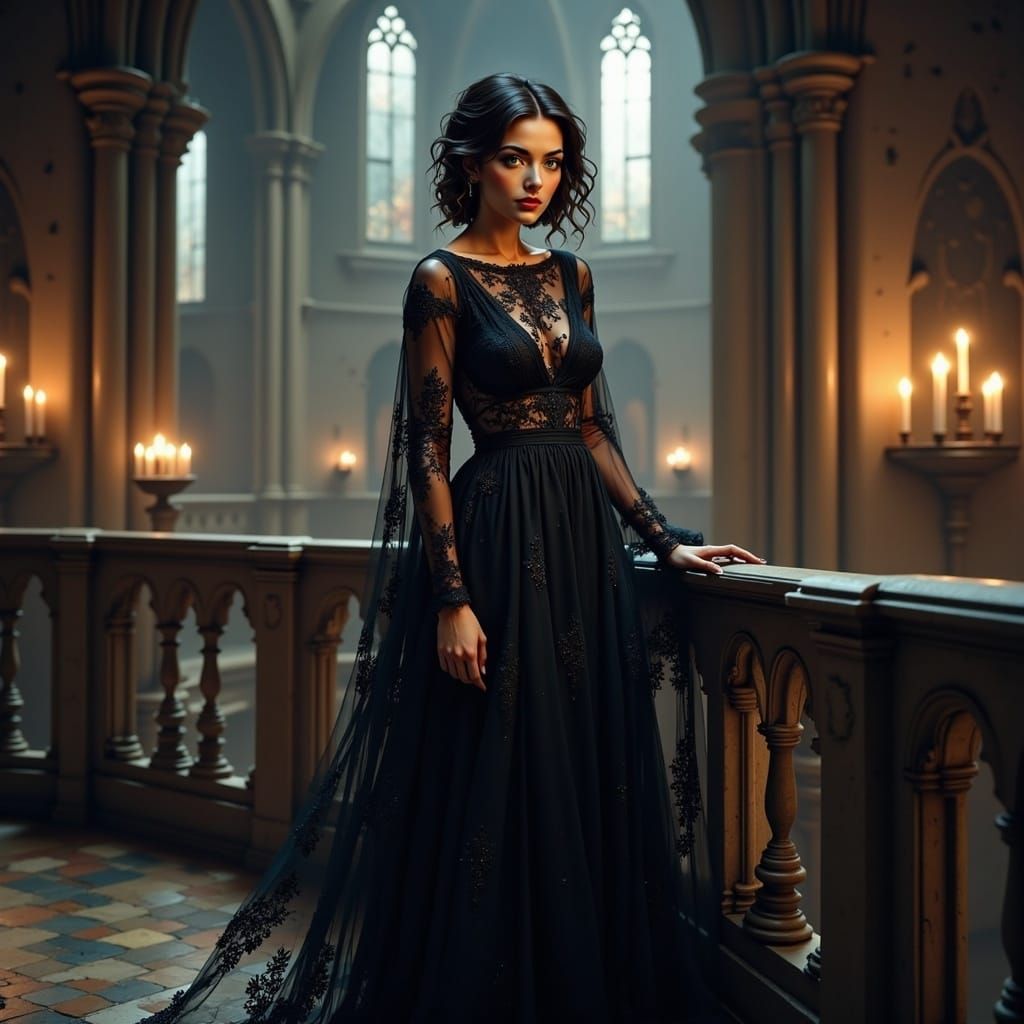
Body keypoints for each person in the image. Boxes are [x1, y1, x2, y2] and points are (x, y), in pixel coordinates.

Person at [143, 72, 762, 1024]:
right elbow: (427, 450)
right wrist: (452, 597)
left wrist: (661, 540)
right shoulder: (439, 280)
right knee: (498, 769)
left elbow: (594, 430)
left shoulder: (573, 276)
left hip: (584, 549)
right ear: (472, 162)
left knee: (581, 759)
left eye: (552, 163)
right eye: (516, 158)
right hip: (500, 532)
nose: (535, 181)